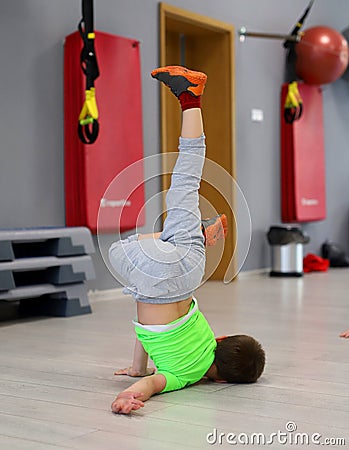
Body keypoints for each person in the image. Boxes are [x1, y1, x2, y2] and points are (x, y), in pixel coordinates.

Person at [109, 66, 265, 414]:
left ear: (222, 340)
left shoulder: (206, 337)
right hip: (152, 276)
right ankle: (189, 232)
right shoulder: (185, 373)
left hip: (191, 271)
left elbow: (151, 334)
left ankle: (190, 98)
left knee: (187, 177)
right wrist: (133, 390)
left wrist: (137, 368)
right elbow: (152, 375)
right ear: (221, 381)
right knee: (117, 251)